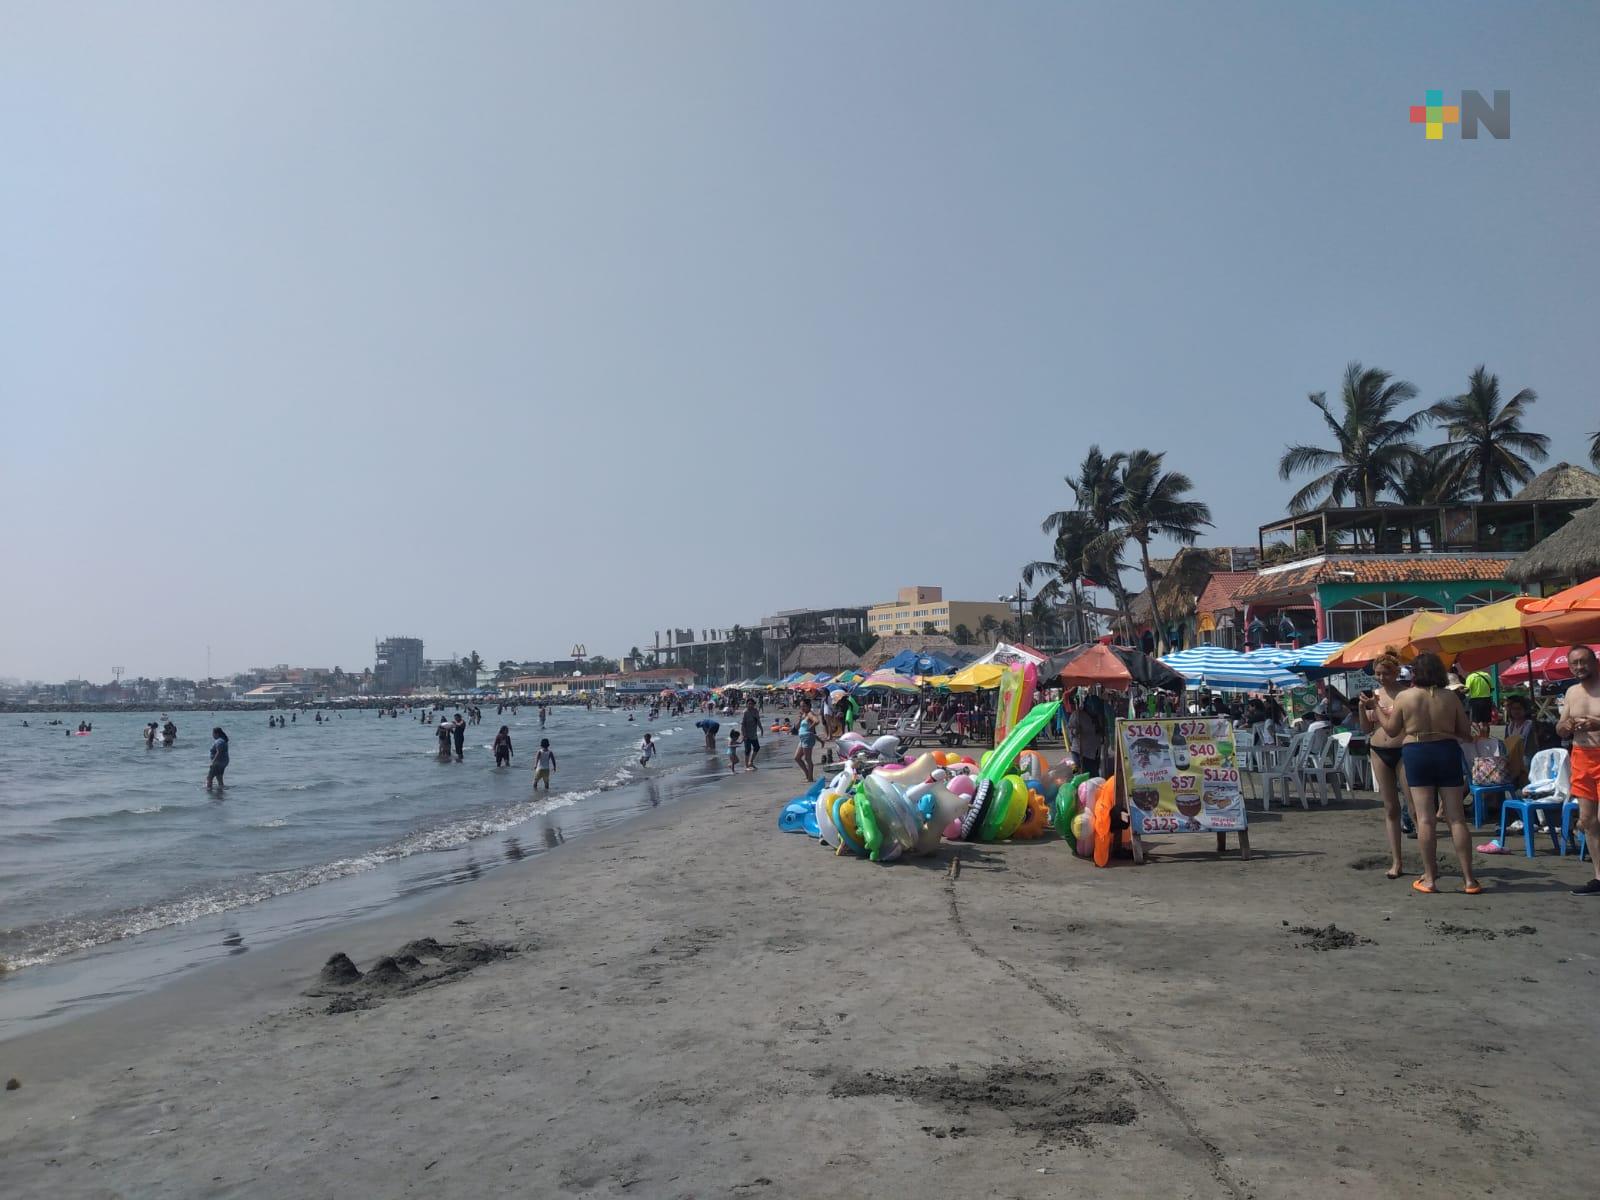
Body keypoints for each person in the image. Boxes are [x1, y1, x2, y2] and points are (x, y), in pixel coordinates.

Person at [1364, 651, 1480, 895]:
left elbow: (1392, 730)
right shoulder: (1450, 697)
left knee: (1425, 818)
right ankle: (1469, 880)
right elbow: (1464, 732)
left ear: (1415, 673)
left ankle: (1430, 878)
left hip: (1417, 750)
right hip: (1446, 749)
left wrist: (1376, 707)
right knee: (1456, 818)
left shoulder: (1406, 697)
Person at [1359, 649, 1412, 878]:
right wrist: (1363, 708)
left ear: (1396, 672)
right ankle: (1396, 861)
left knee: (1413, 806)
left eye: (1386, 673)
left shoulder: (1406, 694)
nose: (1381, 677)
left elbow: (1401, 725)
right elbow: (1366, 728)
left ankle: (1429, 862)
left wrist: (1377, 708)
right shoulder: (1375, 694)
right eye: (1378, 673)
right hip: (1378, 749)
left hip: (1403, 749)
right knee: (1391, 807)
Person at [1556, 645, 1600, 896]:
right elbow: (1561, 726)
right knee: (1587, 820)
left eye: (1583, 661)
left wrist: (1596, 723)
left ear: (1593, 662)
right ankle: (1598, 877)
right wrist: (1566, 726)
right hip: (1581, 756)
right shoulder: (1571, 692)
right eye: (1574, 663)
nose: (1579, 667)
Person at [1501, 693, 1535, 788]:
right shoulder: (1510, 726)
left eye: (1519, 709)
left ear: (1525, 710)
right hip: (1511, 757)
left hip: (1526, 755)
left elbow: (1530, 746)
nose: (1516, 711)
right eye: (1513, 709)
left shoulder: (1530, 725)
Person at [1067, 700, 1104, 778]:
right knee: (1076, 771)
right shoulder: (1077, 715)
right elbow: (1070, 729)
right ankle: (1076, 785)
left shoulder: (1098, 716)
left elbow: (1101, 731)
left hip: (1094, 751)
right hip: (1078, 750)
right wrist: (1075, 731)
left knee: (1093, 775)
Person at [793, 699, 823, 782]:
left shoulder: (810, 714)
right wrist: (799, 719)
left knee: (807, 758)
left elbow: (817, 721)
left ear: (809, 706)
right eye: (801, 706)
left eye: (804, 706)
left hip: (807, 738)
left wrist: (811, 727)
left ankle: (810, 778)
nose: (802, 707)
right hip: (802, 739)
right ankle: (807, 774)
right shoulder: (803, 715)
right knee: (797, 758)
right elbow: (796, 727)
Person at [206, 727, 229, 791]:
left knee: (209, 778)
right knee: (219, 778)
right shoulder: (223, 740)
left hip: (218, 763)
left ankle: (209, 793)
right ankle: (220, 793)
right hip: (223, 762)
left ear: (217, 734)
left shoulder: (219, 741)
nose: (212, 735)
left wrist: (213, 762)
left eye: (213, 733)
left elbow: (219, 752)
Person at [741, 699, 762, 769]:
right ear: (746, 704)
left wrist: (761, 729)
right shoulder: (745, 712)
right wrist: (744, 735)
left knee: (757, 747)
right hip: (746, 733)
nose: (750, 705)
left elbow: (758, 721)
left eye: (751, 704)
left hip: (753, 733)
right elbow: (743, 725)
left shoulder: (756, 711)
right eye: (749, 704)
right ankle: (746, 766)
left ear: (754, 704)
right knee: (748, 750)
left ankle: (751, 762)